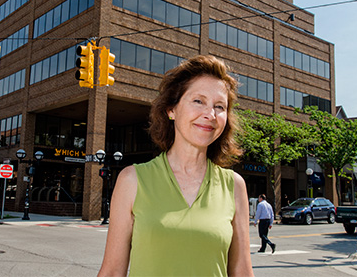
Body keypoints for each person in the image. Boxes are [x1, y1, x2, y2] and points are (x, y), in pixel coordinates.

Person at [98, 55, 254, 276]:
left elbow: (242, 272)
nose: (210, 114)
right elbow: (113, 271)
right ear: (171, 109)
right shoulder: (132, 180)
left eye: (219, 106)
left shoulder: (234, 186)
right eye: (198, 101)